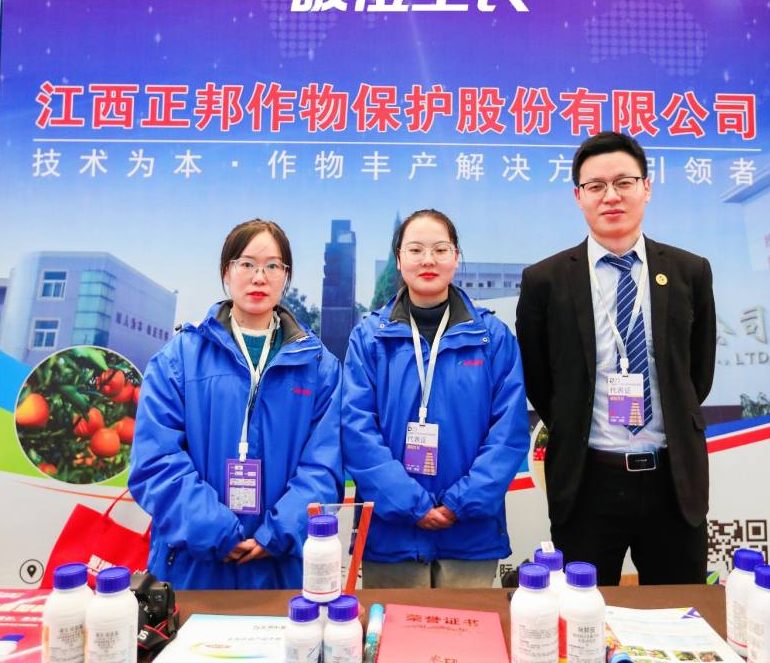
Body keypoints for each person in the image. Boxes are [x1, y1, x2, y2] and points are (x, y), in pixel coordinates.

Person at [516, 134, 717, 585]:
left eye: (624, 182)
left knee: (677, 611)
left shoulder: (689, 271)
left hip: (672, 481)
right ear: (578, 196)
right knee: (582, 612)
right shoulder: (545, 280)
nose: (611, 196)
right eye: (596, 186)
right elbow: (540, 380)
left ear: (646, 187)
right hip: (588, 481)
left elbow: (697, 375)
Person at [129, 219, 342, 589]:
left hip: (282, 571)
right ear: (227, 272)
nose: (259, 277)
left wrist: (278, 532)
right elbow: (155, 461)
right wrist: (215, 530)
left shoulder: (319, 366)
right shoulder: (179, 358)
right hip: (193, 569)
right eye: (247, 264)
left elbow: (324, 467)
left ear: (285, 276)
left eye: (272, 265)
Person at [342, 209, 529, 588]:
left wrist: (460, 503)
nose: (428, 260)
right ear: (399, 259)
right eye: (415, 250)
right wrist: (410, 503)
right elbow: (356, 430)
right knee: (393, 626)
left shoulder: (492, 337)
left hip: (471, 533)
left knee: (466, 625)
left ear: (456, 257)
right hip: (392, 533)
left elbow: (508, 433)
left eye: (440, 249)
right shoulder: (369, 339)